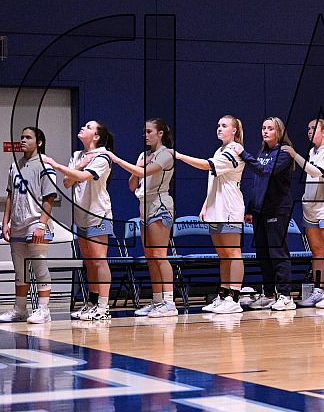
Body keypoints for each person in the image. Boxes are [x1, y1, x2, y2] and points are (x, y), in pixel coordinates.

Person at [173, 115, 246, 314]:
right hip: (216, 207)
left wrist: (179, 156)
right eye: (218, 125)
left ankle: (235, 297)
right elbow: (214, 182)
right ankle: (223, 296)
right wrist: (206, 206)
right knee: (223, 255)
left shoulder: (234, 151)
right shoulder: (219, 150)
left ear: (234, 131)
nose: (219, 128)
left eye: (224, 126)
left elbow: (207, 165)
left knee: (233, 253)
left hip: (230, 207)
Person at [43, 120, 115, 320]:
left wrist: (57, 166)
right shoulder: (77, 156)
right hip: (81, 215)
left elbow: (82, 177)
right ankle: (92, 303)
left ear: (97, 137)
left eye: (89, 127)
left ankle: (103, 306)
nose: (83, 127)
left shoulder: (103, 156)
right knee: (89, 262)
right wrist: (79, 165)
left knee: (100, 260)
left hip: (98, 213)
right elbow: (67, 182)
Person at [107, 118, 177, 316]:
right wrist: (136, 168)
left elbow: (144, 171)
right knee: (150, 257)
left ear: (160, 133)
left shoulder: (166, 155)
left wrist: (118, 160)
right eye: (144, 132)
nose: (145, 135)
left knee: (160, 256)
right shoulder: (143, 155)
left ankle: (169, 303)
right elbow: (132, 185)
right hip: (143, 206)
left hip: (160, 205)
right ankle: (156, 301)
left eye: (149, 131)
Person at [0, 127, 57, 324]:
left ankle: (44, 310)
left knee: (39, 266)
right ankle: (20, 309)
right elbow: (10, 195)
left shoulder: (45, 164)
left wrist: (41, 225)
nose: (23, 140)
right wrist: (6, 222)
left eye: (28, 137)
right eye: (21, 137)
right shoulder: (15, 165)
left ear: (38, 142)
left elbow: (49, 198)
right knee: (20, 270)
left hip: (36, 222)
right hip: (18, 224)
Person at [283, 119, 324, 309]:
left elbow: (317, 172)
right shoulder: (312, 151)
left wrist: (294, 155)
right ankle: (319, 291)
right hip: (311, 207)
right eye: (308, 128)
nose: (309, 131)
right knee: (316, 252)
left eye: (313, 128)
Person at [238, 117, 296, 311]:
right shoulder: (263, 151)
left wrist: (243, 154)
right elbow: (257, 184)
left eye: (270, 128)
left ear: (278, 131)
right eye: (263, 128)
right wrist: (250, 208)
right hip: (259, 210)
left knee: (277, 252)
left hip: (277, 209)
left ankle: (286, 296)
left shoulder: (284, 153)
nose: (265, 131)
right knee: (263, 254)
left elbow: (265, 171)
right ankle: (270, 294)